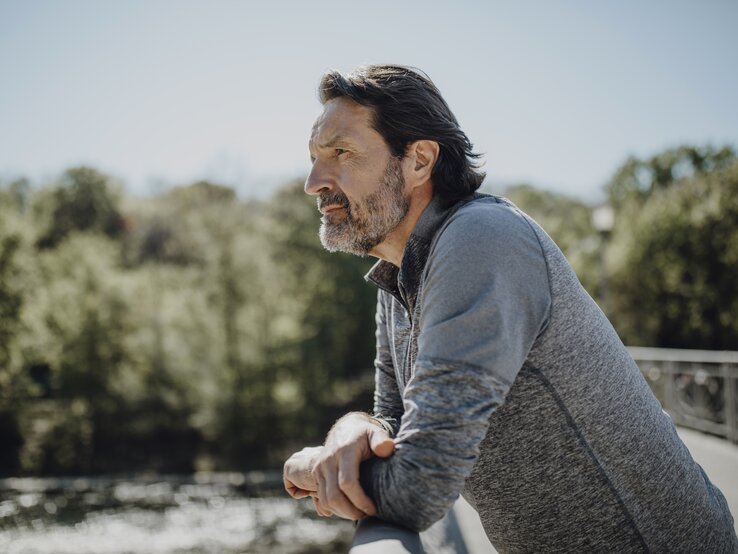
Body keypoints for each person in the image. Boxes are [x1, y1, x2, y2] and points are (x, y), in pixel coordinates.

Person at [283, 64, 738, 553]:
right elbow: (392, 422)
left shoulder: (480, 240)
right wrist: (353, 428)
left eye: (341, 152)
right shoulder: (395, 276)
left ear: (419, 161)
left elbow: (418, 486)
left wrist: (312, 467)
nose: (314, 181)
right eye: (314, 158)